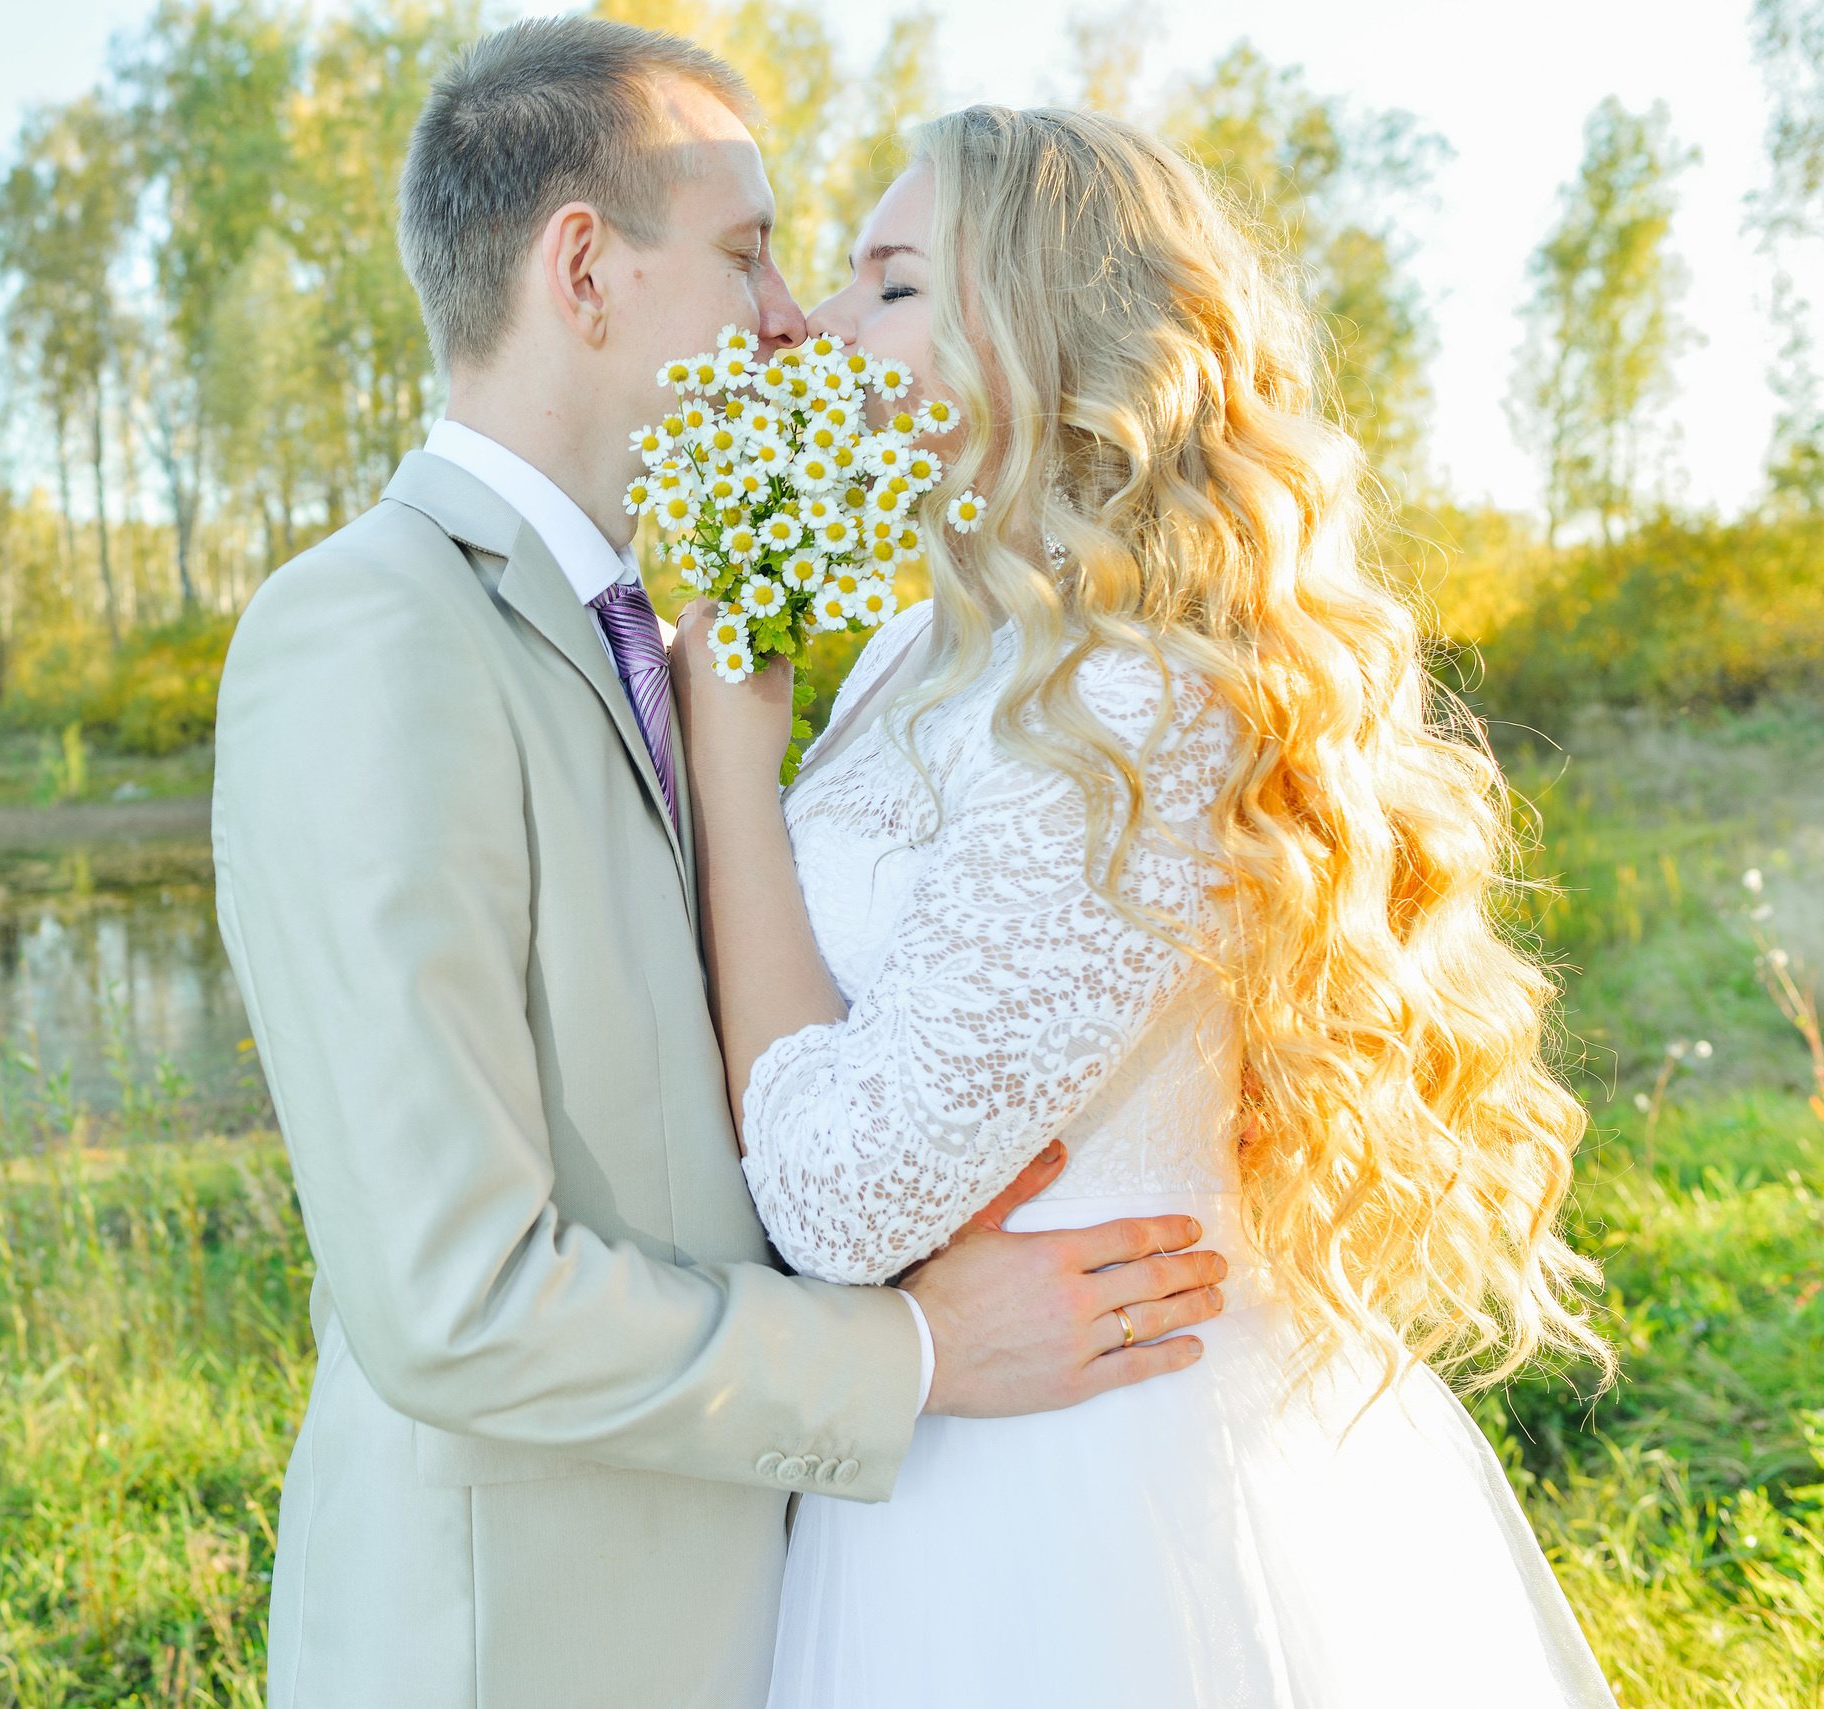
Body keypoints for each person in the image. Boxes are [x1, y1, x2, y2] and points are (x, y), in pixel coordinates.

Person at [212, 24, 1230, 1709]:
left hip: (782, 1594)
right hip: (526, 1643)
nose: (791, 319)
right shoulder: (372, 629)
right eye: (751, 252)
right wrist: (914, 1349)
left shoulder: (677, 643)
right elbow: (453, 1293)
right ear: (585, 269)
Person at [673, 104, 1620, 1706]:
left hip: (1095, 1496)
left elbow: (837, 1202)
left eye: (891, 285)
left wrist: (726, 772)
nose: (821, 328)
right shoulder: (922, 654)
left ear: (1047, 340)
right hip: (936, 1458)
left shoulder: (1134, 706)